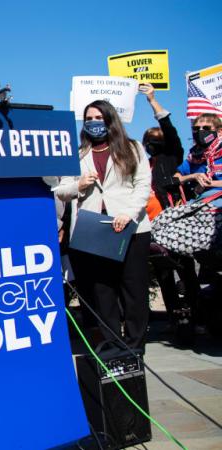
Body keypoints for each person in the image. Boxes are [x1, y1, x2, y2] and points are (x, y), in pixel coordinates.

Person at [55, 100, 152, 351]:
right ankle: (111, 343)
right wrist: (79, 185)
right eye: (88, 118)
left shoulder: (133, 148)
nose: (93, 122)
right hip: (93, 230)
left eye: (98, 117)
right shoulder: (77, 154)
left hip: (130, 229)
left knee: (133, 290)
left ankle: (135, 346)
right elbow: (62, 190)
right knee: (102, 291)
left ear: (109, 119)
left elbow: (142, 186)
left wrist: (129, 214)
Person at [139, 85, 201, 335]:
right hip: (153, 225)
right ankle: (175, 318)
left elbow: (169, 129)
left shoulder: (171, 157)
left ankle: (197, 315)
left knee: (185, 269)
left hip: (174, 221)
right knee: (164, 273)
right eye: (148, 142)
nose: (151, 145)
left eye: (155, 142)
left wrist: (152, 100)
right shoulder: (145, 164)